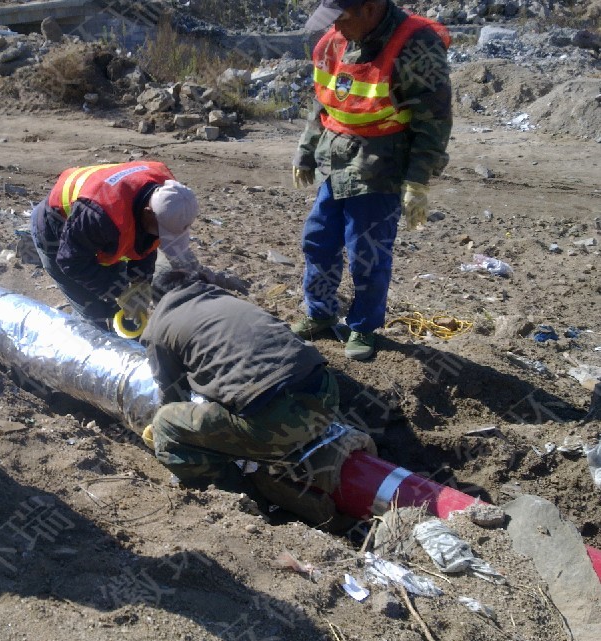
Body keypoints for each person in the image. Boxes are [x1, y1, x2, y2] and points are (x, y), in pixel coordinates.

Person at [140, 269, 375, 530]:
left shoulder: (160, 325)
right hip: (327, 395)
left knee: (166, 425)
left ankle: (242, 498)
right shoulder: (225, 300)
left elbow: (172, 391)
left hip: (275, 422)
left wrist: (171, 431)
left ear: (157, 300)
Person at [291, 0, 452, 360]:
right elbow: (323, 101)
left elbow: (434, 120)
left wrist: (418, 182)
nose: (335, 28)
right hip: (336, 161)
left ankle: (363, 326)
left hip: (382, 167)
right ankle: (320, 312)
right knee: (318, 240)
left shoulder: (416, 45)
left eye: (342, 18)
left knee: (368, 253)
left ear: (370, 7)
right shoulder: (336, 41)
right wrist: (306, 150)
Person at [31, 160, 245, 330]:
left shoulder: (172, 197)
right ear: (148, 212)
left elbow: (145, 243)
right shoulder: (101, 216)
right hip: (56, 233)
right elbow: (71, 261)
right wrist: (120, 291)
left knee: (118, 305)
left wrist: (140, 282)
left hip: (98, 233)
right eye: (162, 231)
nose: (161, 237)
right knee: (94, 313)